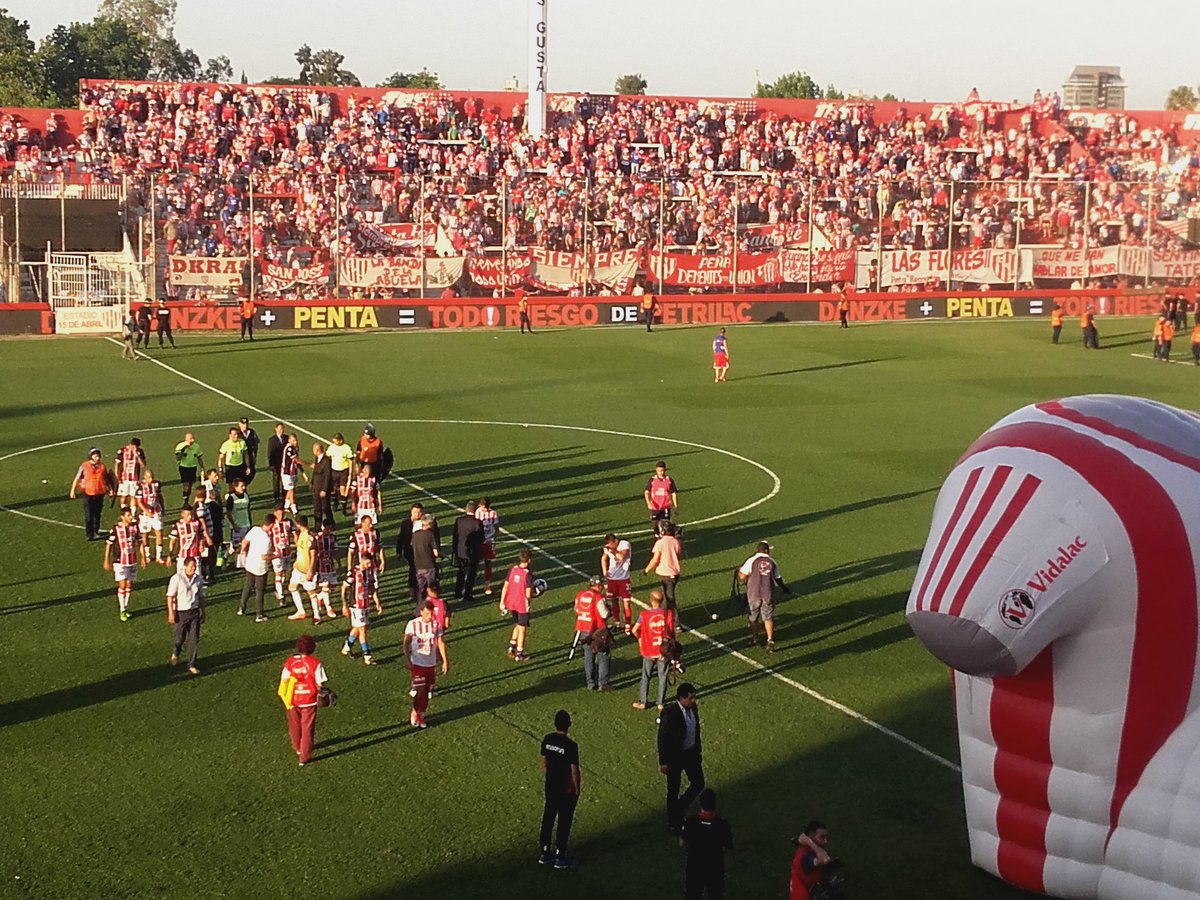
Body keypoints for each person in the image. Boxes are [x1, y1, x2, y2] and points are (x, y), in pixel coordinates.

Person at [658, 682, 705, 834]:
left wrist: (698, 750)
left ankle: (679, 807)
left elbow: (695, 731)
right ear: (681, 698)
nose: (693, 701)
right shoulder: (670, 712)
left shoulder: (693, 709)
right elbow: (662, 738)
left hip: (691, 754)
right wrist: (663, 762)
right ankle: (673, 821)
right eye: (690, 698)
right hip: (675, 757)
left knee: (698, 782)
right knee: (673, 789)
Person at [538, 709, 581, 869]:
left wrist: (549, 776)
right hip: (566, 788)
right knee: (564, 821)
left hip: (551, 785)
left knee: (548, 816)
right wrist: (577, 788)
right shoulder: (571, 746)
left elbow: (544, 761)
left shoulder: (547, 739)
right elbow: (574, 770)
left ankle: (545, 851)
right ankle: (560, 855)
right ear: (568, 725)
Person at [279, 634, 328, 766]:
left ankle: (298, 748)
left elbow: (284, 679)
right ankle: (304, 757)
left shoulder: (290, 662)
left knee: (294, 724)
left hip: (292, 699)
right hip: (309, 700)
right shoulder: (315, 663)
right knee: (307, 728)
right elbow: (320, 683)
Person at [738, 541, 791, 652]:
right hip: (768, 593)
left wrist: (740, 572)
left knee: (753, 617)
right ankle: (770, 640)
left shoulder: (751, 560)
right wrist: (784, 588)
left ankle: (756, 639)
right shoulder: (772, 561)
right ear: (766, 550)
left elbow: (742, 576)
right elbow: (778, 578)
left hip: (754, 593)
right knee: (768, 617)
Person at [681, 788, 733, 900]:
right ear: (714, 804)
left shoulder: (691, 822)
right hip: (715, 867)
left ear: (701, 803)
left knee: (692, 895)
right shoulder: (722, 824)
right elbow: (729, 845)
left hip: (695, 867)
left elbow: (682, 842)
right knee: (716, 895)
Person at [404, 600, 449, 728]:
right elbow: (406, 643)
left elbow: (440, 642)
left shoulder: (436, 625)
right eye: (427, 613)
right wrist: (407, 658)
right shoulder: (412, 624)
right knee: (421, 690)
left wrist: (445, 660)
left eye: (431, 614)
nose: (430, 616)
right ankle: (415, 712)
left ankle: (421, 714)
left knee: (427, 691)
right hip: (417, 662)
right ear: (421, 612)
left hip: (430, 663)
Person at [633, 589, 674, 710]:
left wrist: (641, 638)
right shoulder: (668, 614)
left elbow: (634, 630)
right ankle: (661, 703)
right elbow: (671, 633)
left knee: (646, 676)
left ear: (651, 600)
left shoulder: (644, 615)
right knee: (663, 676)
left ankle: (643, 702)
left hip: (648, 650)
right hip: (663, 651)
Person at [103, 506, 144, 622]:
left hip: (132, 560)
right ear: (122, 517)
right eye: (128, 515)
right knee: (123, 585)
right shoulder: (116, 529)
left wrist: (143, 557)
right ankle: (122, 609)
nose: (131, 517)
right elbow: (109, 544)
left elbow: (140, 542)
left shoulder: (135, 527)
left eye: (131, 515)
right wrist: (106, 560)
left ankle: (125, 607)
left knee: (129, 585)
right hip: (119, 561)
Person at [166, 556, 205, 675]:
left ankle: (192, 664)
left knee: (194, 639)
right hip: (181, 613)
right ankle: (176, 652)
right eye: (191, 566)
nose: (194, 568)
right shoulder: (177, 578)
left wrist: (203, 611)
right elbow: (170, 596)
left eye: (195, 566)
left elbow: (201, 596)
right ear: (185, 566)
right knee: (179, 638)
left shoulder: (198, 579)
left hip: (194, 612)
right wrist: (171, 612)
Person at [341, 556, 383, 665]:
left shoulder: (369, 573)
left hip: (365, 605)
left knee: (357, 627)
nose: (369, 565)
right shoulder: (353, 573)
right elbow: (344, 588)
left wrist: (377, 603)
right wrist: (344, 605)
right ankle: (367, 655)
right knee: (362, 629)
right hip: (356, 606)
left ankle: (347, 647)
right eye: (368, 563)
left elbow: (372, 589)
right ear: (362, 561)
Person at [574, 575, 612, 691]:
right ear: (598, 585)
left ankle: (590, 683)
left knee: (588, 657)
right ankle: (603, 683)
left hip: (583, 629)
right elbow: (604, 614)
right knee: (603, 656)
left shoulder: (580, 594)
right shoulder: (598, 597)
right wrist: (609, 610)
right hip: (598, 631)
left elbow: (576, 609)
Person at [238, 512, 275, 622]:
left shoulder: (254, 530)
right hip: (260, 568)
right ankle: (259, 614)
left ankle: (241, 608)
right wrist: (275, 556)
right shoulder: (266, 539)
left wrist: (243, 551)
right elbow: (264, 557)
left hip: (250, 563)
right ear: (271, 525)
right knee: (260, 591)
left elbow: (245, 541)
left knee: (248, 586)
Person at [70, 447, 112, 541]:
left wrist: (109, 489)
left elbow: (106, 479)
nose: (98, 458)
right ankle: (89, 534)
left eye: (98, 456)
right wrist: (73, 490)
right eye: (95, 456)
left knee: (97, 514)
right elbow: (77, 478)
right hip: (88, 493)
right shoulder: (84, 466)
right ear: (91, 456)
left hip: (99, 493)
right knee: (89, 515)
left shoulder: (102, 466)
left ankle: (96, 532)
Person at [790, 821, 838, 900]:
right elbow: (825, 859)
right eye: (822, 837)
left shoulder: (808, 850)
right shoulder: (805, 857)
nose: (826, 841)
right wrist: (810, 842)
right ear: (811, 837)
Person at [500, 548, 534, 661]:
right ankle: (520, 653)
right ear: (529, 560)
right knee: (522, 628)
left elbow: (505, 586)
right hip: (521, 605)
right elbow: (528, 594)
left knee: (518, 624)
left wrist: (502, 602)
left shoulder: (513, 569)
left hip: (511, 602)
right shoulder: (528, 575)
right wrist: (534, 595)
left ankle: (512, 646)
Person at [287, 515, 320, 622]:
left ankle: (317, 615)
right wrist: (296, 562)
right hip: (298, 569)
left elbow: (314, 555)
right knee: (292, 587)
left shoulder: (310, 537)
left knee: (311, 593)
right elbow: (300, 548)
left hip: (307, 571)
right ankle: (301, 611)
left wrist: (311, 571)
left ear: (298, 524)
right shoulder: (301, 534)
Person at [644, 521, 683, 612]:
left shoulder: (660, 543)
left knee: (669, 598)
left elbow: (655, 559)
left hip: (666, 574)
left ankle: (673, 619)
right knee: (667, 597)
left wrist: (647, 569)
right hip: (675, 573)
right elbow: (678, 552)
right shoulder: (676, 542)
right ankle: (665, 614)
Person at [601, 532, 634, 635]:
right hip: (612, 579)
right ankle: (617, 623)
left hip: (623, 579)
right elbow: (603, 558)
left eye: (610, 544)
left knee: (626, 603)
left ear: (615, 541)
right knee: (613, 601)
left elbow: (621, 557)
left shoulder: (624, 544)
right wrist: (605, 572)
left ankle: (628, 625)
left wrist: (613, 551)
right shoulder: (609, 548)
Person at [166, 503, 212, 575]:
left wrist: (201, 545)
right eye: (187, 515)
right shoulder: (177, 525)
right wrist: (169, 555)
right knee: (181, 577)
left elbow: (201, 537)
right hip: (182, 556)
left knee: (197, 576)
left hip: (195, 555)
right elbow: (173, 541)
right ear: (182, 514)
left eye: (191, 514)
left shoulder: (197, 523)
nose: (190, 517)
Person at [452, 500, 484, 602]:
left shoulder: (459, 520)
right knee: (471, 574)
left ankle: (457, 592)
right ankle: (467, 594)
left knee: (461, 572)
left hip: (460, 551)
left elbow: (455, 536)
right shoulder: (477, 522)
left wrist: (455, 550)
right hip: (473, 553)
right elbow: (482, 538)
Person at [312, 517, 341, 621]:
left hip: (330, 565)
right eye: (327, 529)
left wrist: (339, 564)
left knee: (333, 586)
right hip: (320, 567)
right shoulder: (316, 538)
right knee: (325, 587)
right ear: (322, 527)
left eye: (330, 529)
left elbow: (335, 551)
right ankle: (329, 608)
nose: (328, 531)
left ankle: (319, 597)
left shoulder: (333, 538)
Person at [136, 468, 166, 564]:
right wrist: (146, 511)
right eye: (149, 477)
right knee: (145, 534)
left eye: (152, 477)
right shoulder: (140, 487)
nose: (151, 479)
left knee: (159, 532)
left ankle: (158, 556)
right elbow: (139, 502)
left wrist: (163, 508)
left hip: (156, 511)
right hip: (145, 514)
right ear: (144, 477)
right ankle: (147, 555)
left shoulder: (156, 484)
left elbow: (160, 497)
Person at [267, 504, 295, 606]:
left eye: (282, 514)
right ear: (275, 513)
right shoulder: (272, 524)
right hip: (276, 553)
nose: (281, 516)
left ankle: (278, 590)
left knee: (284, 573)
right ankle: (281, 597)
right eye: (279, 514)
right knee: (278, 573)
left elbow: (295, 533)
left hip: (287, 553)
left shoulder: (288, 522)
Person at [410, 513, 440, 603]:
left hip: (418, 565)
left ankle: (420, 604)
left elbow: (412, 545)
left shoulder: (415, 534)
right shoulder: (430, 535)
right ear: (429, 524)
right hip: (429, 565)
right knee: (431, 587)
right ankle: (432, 604)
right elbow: (436, 553)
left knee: (421, 588)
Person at [644, 460, 679, 535]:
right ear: (656, 470)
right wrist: (648, 503)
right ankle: (657, 535)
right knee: (654, 524)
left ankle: (665, 536)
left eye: (662, 470)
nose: (661, 472)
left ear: (665, 470)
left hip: (665, 506)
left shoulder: (669, 480)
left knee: (665, 525)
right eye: (659, 471)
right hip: (655, 507)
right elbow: (647, 492)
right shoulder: (652, 480)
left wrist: (675, 506)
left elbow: (673, 493)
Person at [475, 496, 500, 594]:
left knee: (488, 563)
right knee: (474, 562)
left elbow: (497, 529)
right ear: (480, 505)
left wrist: (493, 539)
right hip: (478, 542)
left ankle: (487, 584)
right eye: (483, 507)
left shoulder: (493, 513)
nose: (485, 510)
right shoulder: (476, 513)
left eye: (487, 507)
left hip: (488, 542)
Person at [113, 437, 145, 513]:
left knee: (133, 496)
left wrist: (137, 455)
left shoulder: (140, 452)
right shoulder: (122, 451)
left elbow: (143, 465)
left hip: (134, 478)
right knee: (124, 495)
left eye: (136, 447)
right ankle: (124, 511)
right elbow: (117, 463)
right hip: (123, 478)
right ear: (130, 444)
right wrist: (116, 475)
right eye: (133, 447)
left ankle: (133, 514)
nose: (134, 449)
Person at [326, 432, 355, 514]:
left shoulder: (347, 448)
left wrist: (350, 472)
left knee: (343, 489)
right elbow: (327, 457)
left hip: (343, 471)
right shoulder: (331, 447)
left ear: (341, 440)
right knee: (333, 489)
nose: (335, 443)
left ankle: (343, 508)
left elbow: (350, 460)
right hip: (334, 470)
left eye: (336, 441)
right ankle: (335, 503)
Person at [225, 478, 252, 562]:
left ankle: (243, 563)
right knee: (235, 547)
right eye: (241, 486)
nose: (244, 488)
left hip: (246, 525)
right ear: (235, 487)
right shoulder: (231, 498)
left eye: (244, 486)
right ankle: (225, 558)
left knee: (246, 546)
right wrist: (234, 525)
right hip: (237, 527)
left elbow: (248, 510)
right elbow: (228, 513)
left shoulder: (246, 496)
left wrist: (250, 523)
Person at [173, 432, 204, 504]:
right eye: (191, 439)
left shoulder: (196, 446)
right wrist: (183, 450)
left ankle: (187, 499)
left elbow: (199, 458)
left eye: (193, 438)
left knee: (190, 485)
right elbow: (178, 458)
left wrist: (202, 467)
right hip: (184, 467)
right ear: (186, 439)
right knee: (186, 484)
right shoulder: (180, 446)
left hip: (193, 467)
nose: (193, 440)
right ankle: (185, 502)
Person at [279, 433, 306, 514]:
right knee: (291, 490)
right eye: (293, 440)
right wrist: (309, 464)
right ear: (289, 440)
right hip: (287, 473)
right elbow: (296, 460)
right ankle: (294, 508)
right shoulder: (289, 448)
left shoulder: (296, 448)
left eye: (296, 440)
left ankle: (286, 506)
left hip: (293, 472)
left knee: (291, 489)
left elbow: (297, 462)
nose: (295, 442)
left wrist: (303, 472)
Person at [309, 442, 333, 524]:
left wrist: (324, 489)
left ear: (317, 450)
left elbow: (327, 475)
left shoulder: (326, 461)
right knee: (317, 508)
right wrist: (312, 483)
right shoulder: (317, 459)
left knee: (325, 508)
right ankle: (317, 526)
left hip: (322, 488)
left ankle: (331, 523)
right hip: (316, 487)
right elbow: (315, 472)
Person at [266, 422, 287, 504]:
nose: (281, 430)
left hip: (284, 463)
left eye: (282, 429)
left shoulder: (286, 438)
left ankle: (284, 495)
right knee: (276, 479)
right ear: (276, 429)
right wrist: (271, 464)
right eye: (279, 429)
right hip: (276, 463)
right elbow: (270, 453)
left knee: (284, 479)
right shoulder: (272, 440)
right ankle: (276, 496)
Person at [238, 418, 260, 485]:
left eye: (246, 424)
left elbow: (256, 444)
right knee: (241, 475)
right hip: (240, 458)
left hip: (249, 456)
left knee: (252, 472)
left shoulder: (252, 432)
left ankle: (244, 486)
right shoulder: (237, 433)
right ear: (239, 424)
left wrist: (255, 456)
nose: (245, 426)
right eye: (243, 424)